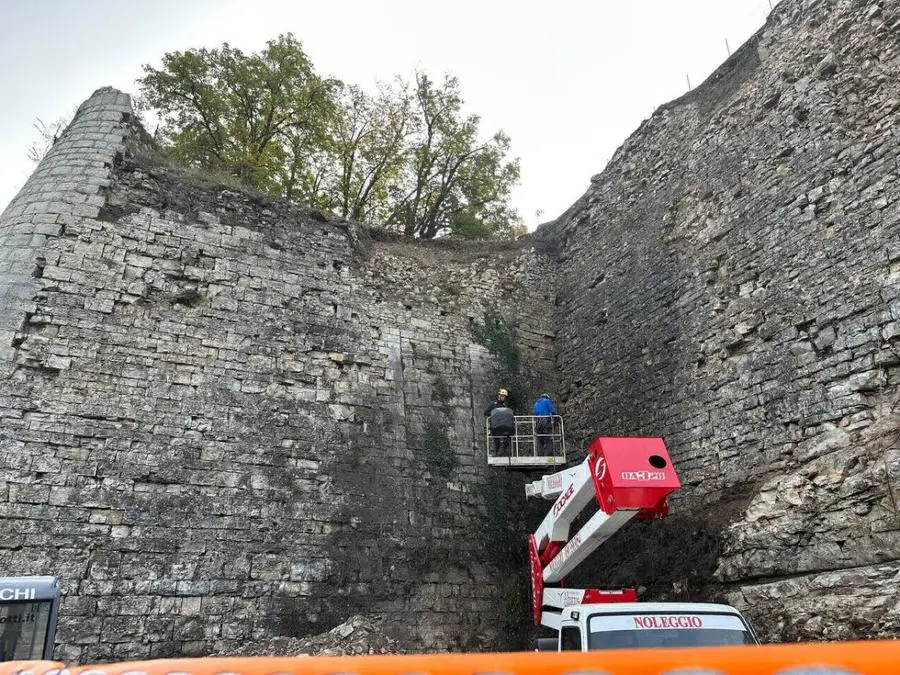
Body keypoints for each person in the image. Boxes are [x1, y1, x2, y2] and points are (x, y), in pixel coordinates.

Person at [484, 388, 515, 456]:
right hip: (495, 426)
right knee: (496, 441)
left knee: (507, 438)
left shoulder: (504, 406)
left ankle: (502, 452)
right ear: (499, 396)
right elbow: (486, 412)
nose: (503, 398)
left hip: (504, 426)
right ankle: (496, 453)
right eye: (502, 396)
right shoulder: (493, 404)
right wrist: (494, 415)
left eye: (504, 397)